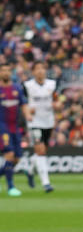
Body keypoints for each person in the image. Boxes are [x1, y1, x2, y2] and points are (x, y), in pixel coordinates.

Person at [23, 61, 57, 192]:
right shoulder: (27, 86)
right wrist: (27, 112)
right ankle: (46, 183)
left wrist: (58, 105)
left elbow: (57, 99)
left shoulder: (52, 84)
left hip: (48, 121)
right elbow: (23, 103)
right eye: (37, 68)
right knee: (41, 150)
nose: (40, 71)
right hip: (34, 122)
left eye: (42, 68)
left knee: (42, 151)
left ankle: (30, 170)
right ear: (33, 72)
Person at [0, 62, 34, 196]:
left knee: (16, 159)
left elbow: (23, 104)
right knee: (9, 154)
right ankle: (11, 187)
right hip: (2, 126)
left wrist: (28, 115)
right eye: (3, 70)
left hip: (15, 127)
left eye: (8, 70)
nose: (6, 73)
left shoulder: (17, 88)